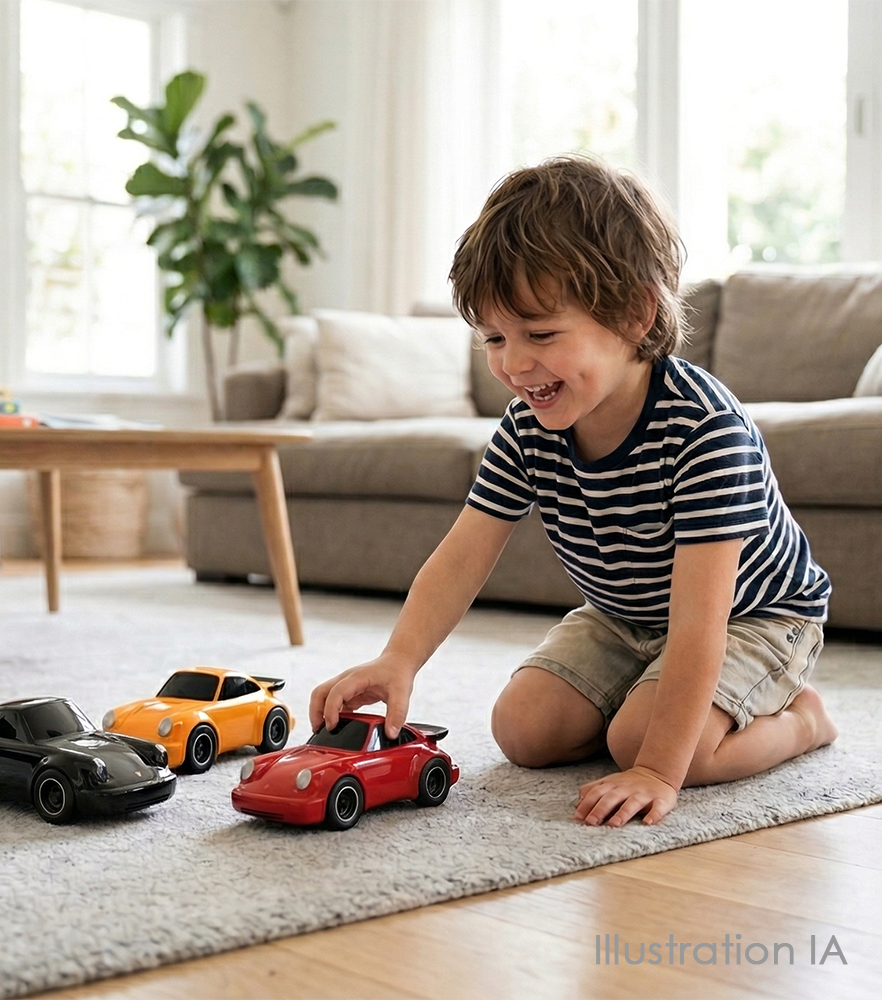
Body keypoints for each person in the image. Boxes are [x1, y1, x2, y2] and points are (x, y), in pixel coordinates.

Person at [309, 155, 837, 828]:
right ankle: (644, 708)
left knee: (651, 744)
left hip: (754, 617)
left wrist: (655, 769)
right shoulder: (528, 426)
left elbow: (701, 627)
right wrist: (400, 657)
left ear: (636, 315)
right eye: (495, 337)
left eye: (541, 334)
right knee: (523, 731)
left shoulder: (705, 432)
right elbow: (465, 552)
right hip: (625, 615)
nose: (514, 363)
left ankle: (803, 722)